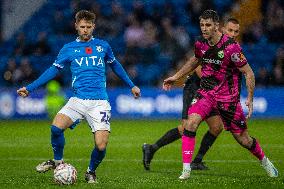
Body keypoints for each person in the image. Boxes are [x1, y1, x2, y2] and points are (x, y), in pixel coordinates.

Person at [17, 10, 141, 184]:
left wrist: (131, 85)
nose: (85, 30)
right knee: (55, 128)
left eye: (88, 27)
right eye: (82, 27)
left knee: (101, 145)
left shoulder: (103, 46)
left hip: (99, 103)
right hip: (78, 100)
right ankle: (58, 161)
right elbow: (53, 70)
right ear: (76, 26)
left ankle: (91, 171)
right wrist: (30, 88)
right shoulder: (68, 48)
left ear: (93, 27)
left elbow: (116, 66)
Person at [163, 10, 278, 179]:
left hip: (228, 99)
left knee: (243, 139)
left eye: (208, 25)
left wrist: (250, 99)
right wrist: (176, 76)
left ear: (217, 26)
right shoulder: (200, 44)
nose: (204, 28)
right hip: (206, 93)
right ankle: (186, 169)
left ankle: (264, 160)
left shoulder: (231, 48)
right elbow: (195, 60)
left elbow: (249, 73)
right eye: (202, 25)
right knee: (191, 123)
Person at [142, 18, 241, 171]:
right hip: (195, 88)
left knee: (216, 127)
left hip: (210, 91)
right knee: (186, 128)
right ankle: (151, 148)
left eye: (235, 32)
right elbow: (199, 69)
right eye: (229, 30)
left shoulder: (231, 47)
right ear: (221, 29)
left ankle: (197, 161)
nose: (232, 34)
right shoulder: (210, 42)